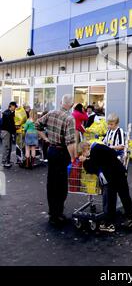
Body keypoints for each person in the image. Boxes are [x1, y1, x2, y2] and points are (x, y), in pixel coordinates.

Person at [35, 94, 76, 226]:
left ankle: (53, 212)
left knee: (51, 182)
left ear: (60, 102)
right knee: (61, 184)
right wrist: (74, 158)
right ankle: (58, 214)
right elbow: (70, 142)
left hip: (51, 150)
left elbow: (37, 125)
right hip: (62, 152)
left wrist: (45, 138)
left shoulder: (51, 113)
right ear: (71, 104)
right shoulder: (70, 119)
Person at [79, 141, 132, 233]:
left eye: (83, 153)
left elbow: (91, 169)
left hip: (110, 177)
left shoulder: (93, 153)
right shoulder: (101, 147)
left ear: (85, 150)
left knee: (110, 199)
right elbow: (113, 153)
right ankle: (131, 217)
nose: (84, 154)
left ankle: (109, 224)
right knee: (125, 195)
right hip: (120, 172)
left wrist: (85, 161)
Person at [1, 101, 17, 168]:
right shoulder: (7, 113)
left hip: (8, 132)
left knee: (9, 147)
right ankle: (4, 162)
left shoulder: (9, 113)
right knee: (6, 147)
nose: (15, 108)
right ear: (11, 106)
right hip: (6, 132)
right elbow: (10, 123)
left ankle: (8, 161)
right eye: (15, 106)